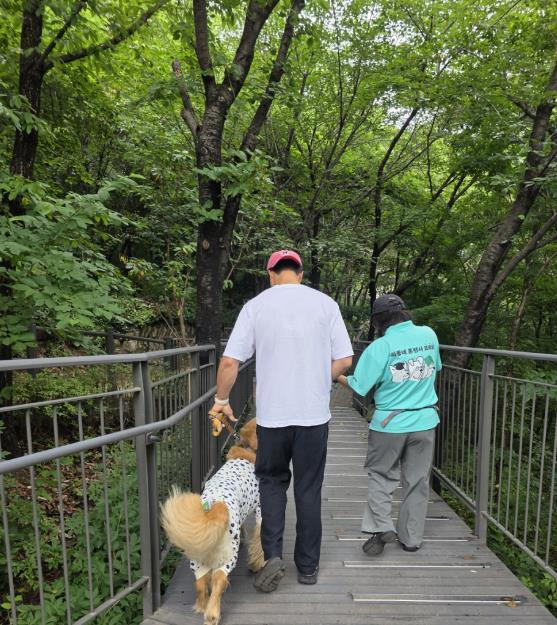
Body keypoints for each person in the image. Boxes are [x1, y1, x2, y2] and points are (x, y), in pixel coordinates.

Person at [208, 249, 353, 592]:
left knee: (272, 485)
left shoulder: (256, 306)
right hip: (313, 418)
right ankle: (308, 567)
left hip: (272, 420)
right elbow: (345, 359)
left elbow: (229, 362)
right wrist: (318, 380)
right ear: (299, 274)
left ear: (271, 274)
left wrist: (221, 401)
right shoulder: (326, 305)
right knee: (308, 488)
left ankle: (272, 556)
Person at [337, 294, 442, 556]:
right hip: (424, 420)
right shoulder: (429, 335)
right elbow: (434, 367)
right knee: (417, 481)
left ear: (378, 321)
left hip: (389, 424)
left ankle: (382, 527)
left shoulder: (380, 347)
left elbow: (360, 386)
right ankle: (411, 539)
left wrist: (336, 375)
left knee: (381, 476)